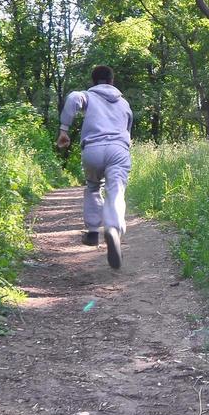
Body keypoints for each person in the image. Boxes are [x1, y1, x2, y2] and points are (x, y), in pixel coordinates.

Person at [56, 64, 133, 269]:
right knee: (116, 190)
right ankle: (113, 228)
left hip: (93, 149)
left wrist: (64, 129)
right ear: (111, 81)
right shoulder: (124, 103)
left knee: (92, 187)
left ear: (93, 81)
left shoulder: (88, 96)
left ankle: (92, 232)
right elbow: (128, 128)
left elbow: (73, 98)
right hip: (118, 149)